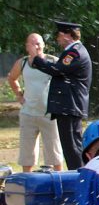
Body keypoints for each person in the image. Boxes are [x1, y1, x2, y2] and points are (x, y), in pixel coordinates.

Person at [31, 21, 92, 170]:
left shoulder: (74, 52)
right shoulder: (74, 51)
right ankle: (79, 174)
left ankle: (79, 177)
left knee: (72, 147)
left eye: (59, 35)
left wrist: (37, 59)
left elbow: (58, 70)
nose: (57, 39)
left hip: (70, 105)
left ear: (66, 35)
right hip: (69, 105)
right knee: (71, 146)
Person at [7, 33, 64, 172]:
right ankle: (28, 186)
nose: (36, 46)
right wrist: (19, 95)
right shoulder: (23, 62)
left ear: (44, 45)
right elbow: (12, 78)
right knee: (27, 155)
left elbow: (65, 79)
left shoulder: (53, 61)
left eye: (38, 43)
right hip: (28, 113)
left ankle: (60, 184)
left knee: (54, 153)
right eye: (32, 43)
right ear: (27, 46)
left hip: (49, 114)